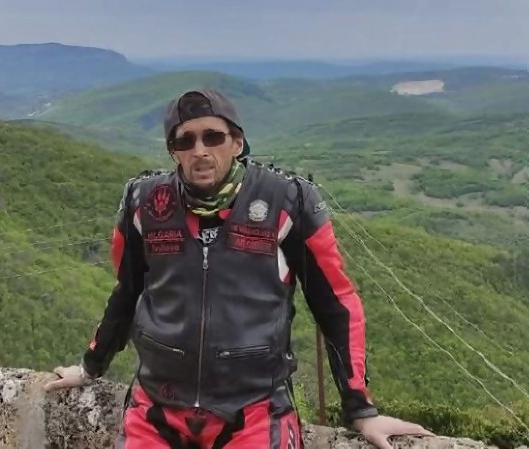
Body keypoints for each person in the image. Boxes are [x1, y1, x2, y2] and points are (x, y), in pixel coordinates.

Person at [45, 88, 434, 449]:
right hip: (156, 407)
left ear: (237, 142)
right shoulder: (145, 203)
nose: (200, 150)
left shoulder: (287, 201)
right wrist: (90, 367)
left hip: (255, 410)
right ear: (173, 151)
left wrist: (361, 409)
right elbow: (127, 292)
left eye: (213, 137)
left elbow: (336, 303)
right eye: (185, 141)